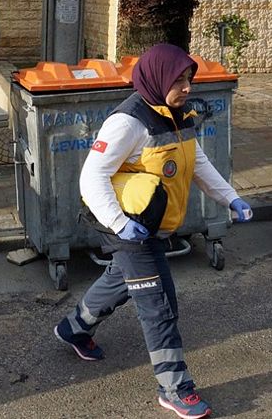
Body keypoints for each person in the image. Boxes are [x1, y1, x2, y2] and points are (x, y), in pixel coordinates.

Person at [54, 44, 253, 419]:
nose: (188, 87)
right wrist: (119, 224)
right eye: (179, 80)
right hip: (129, 225)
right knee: (158, 304)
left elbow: (198, 162)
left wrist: (230, 198)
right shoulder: (128, 121)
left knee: (119, 279)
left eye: (189, 79)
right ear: (159, 78)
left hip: (152, 224)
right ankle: (174, 388)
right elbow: (91, 176)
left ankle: (73, 329)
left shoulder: (178, 114)